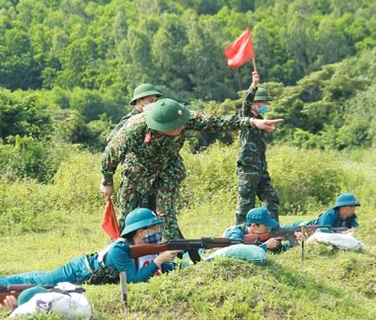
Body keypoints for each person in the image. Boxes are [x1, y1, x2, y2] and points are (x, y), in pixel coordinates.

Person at [100, 98, 282, 240]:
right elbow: (111, 154)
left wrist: (251, 122)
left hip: (168, 167)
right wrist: (107, 181)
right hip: (137, 170)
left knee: (166, 213)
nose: (182, 127)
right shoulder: (134, 129)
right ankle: (122, 250)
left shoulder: (182, 117)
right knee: (128, 214)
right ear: (164, 126)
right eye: (177, 126)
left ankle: (171, 249)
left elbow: (214, 121)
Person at [0, 208, 182, 287]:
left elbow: (160, 268)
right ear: (140, 232)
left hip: (86, 269)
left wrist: (178, 261)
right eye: (153, 228)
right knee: (37, 282)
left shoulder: (145, 246)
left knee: (38, 276)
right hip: (79, 270)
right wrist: (159, 260)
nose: (157, 231)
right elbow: (132, 280)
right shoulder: (119, 250)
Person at [235, 71, 280, 224]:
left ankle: (272, 230)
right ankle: (240, 233)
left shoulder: (261, 121)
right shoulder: (246, 119)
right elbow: (245, 105)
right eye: (263, 103)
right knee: (246, 203)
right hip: (248, 167)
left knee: (271, 199)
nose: (266, 106)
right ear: (255, 103)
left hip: (261, 167)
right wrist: (253, 86)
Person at [222, 207, 301, 252]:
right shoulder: (235, 232)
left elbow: (280, 249)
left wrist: (293, 242)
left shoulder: (262, 234)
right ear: (254, 226)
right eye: (266, 225)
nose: (269, 228)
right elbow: (237, 251)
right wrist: (265, 245)